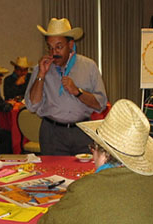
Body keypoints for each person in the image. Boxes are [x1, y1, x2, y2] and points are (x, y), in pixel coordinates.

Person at [24, 18, 108, 155]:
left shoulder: (89, 66)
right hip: (51, 133)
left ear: (70, 44)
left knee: (83, 175)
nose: (54, 53)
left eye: (59, 46)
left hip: (82, 131)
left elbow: (101, 104)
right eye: (50, 47)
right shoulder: (41, 68)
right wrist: (41, 75)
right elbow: (32, 106)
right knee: (52, 175)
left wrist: (78, 92)